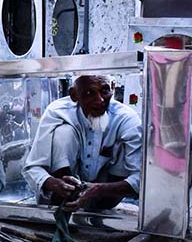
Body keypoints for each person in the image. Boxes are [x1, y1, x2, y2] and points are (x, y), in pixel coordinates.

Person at [22, 74, 142, 212]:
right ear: (74, 95)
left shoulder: (126, 118)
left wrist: (98, 189)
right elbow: (32, 168)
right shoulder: (56, 112)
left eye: (104, 91)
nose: (100, 100)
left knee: (120, 145)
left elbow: (141, 178)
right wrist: (53, 183)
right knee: (63, 132)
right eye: (89, 93)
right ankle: (65, 198)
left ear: (113, 88)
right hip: (61, 198)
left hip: (104, 200)